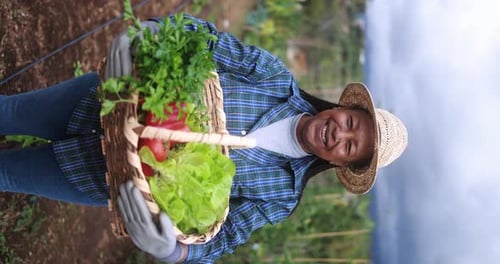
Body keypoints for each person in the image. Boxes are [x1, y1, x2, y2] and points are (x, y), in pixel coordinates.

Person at [0, 14, 408, 263]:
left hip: (104, 176)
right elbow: (211, 44)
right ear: (342, 107)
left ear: (341, 163)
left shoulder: (282, 196)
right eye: (351, 122)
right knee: (11, 113)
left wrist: (172, 250)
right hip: (106, 99)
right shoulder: (274, 78)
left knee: (10, 176)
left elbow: (223, 237)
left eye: (351, 146)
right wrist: (154, 32)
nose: (341, 134)